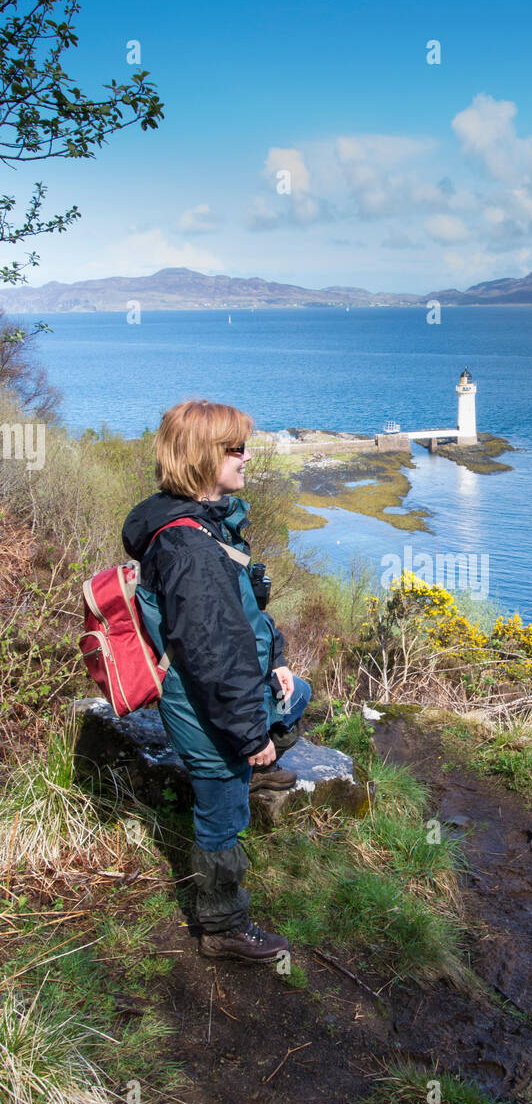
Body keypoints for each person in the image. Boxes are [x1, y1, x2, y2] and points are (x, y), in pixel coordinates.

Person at [122, 399, 311, 963]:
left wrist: (275, 655)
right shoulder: (189, 548)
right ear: (205, 458)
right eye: (237, 448)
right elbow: (212, 659)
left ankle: (255, 770)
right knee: (221, 814)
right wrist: (250, 738)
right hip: (205, 702)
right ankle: (223, 925)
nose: (247, 457)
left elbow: (246, 610)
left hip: (230, 686)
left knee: (297, 692)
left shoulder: (206, 522)